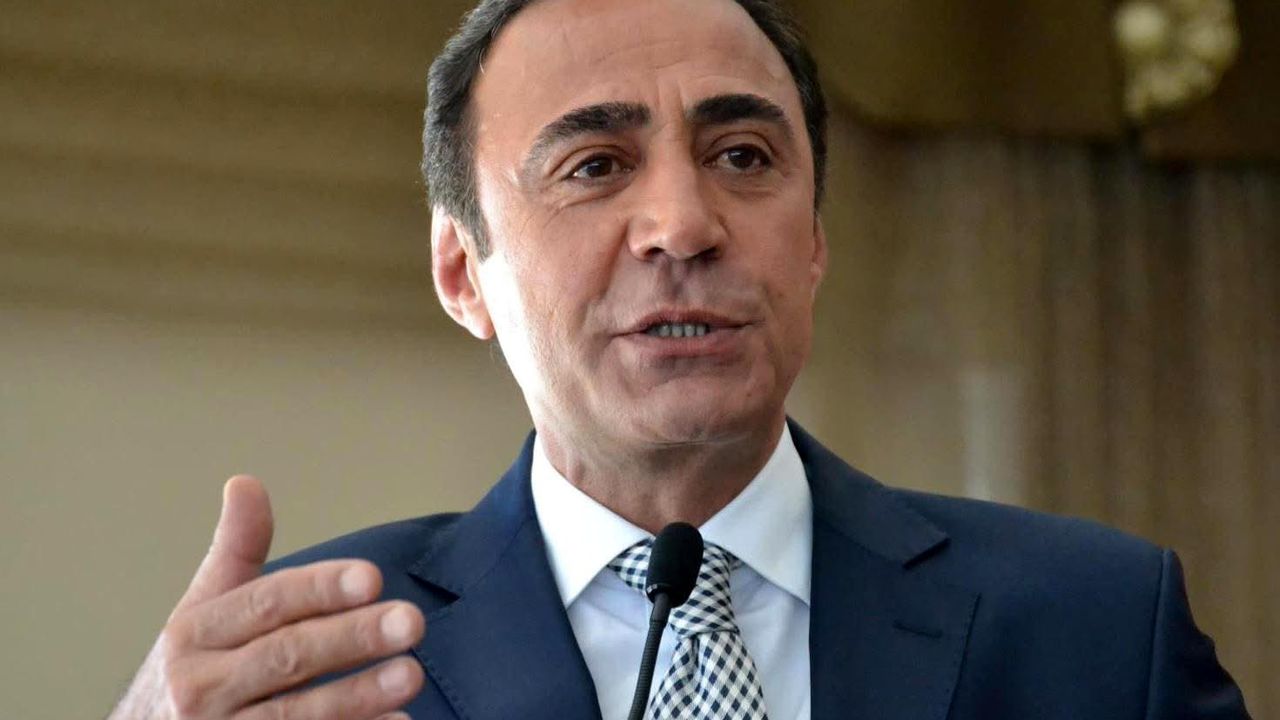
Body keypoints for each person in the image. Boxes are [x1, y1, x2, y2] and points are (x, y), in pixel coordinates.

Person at [109, 0, 1252, 718]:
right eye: (595, 166)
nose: (683, 225)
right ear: (461, 273)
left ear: (813, 242)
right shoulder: (301, 671)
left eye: (742, 155)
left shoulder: (1099, 631)